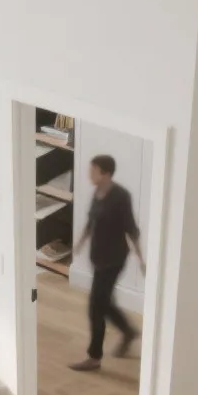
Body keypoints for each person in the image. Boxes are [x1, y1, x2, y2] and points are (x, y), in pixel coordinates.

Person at [69, 153, 144, 372]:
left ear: (106, 174)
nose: (89, 175)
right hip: (98, 257)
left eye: (93, 171)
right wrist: (80, 243)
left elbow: (131, 228)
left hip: (113, 260)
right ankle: (128, 331)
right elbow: (91, 221)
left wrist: (141, 258)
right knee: (104, 302)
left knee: (95, 308)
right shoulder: (97, 192)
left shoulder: (121, 197)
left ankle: (94, 357)